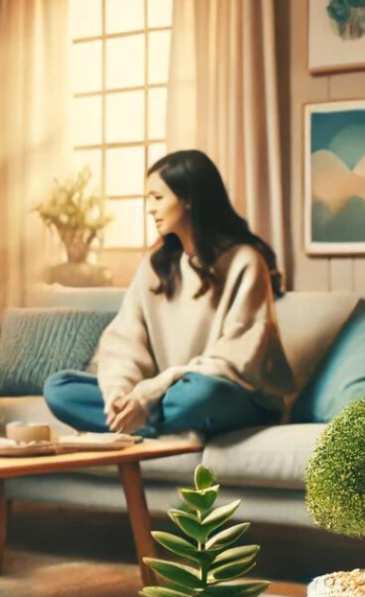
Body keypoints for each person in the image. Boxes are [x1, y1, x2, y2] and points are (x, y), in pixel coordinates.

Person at [44, 150, 295, 437]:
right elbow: (124, 341)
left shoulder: (245, 261)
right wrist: (120, 394)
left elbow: (235, 360)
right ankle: (143, 421)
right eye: (148, 199)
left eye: (158, 198)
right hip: (168, 397)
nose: (150, 208)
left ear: (188, 198)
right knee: (60, 388)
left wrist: (154, 390)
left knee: (198, 395)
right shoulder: (155, 265)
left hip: (231, 395)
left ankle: (144, 423)